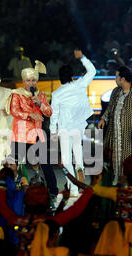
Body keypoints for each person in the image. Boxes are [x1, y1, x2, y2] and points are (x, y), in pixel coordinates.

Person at [7, 60, 58, 201]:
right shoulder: (17, 94)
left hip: (37, 135)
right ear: (24, 82)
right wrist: (30, 115)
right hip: (21, 135)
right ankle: (11, 191)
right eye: (28, 80)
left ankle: (53, 191)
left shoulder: (40, 95)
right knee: (14, 165)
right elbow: (14, 111)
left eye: (34, 80)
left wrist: (40, 104)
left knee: (46, 164)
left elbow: (49, 112)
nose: (31, 83)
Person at [50, 49, 96, 197]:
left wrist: (52, 131)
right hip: (79, 126)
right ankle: (80, 167)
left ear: (60, 78)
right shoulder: (80, 84)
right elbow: (92, 71)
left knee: (66, 159)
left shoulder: (56, 94)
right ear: (71, 75)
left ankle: (74, 188)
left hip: (64, 128)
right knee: (77, 148)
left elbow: (54, 114)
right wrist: (82, 58)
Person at [97, 66, 132, 181]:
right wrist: (103, 118)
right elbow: (110, 108)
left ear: (123, 79)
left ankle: (129, 186)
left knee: (129, 161)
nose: (115, 79)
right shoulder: (115, 91)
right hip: (114, 134)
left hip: (130, 136)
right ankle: (115, 184)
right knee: (112, 159)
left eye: (116, 76)